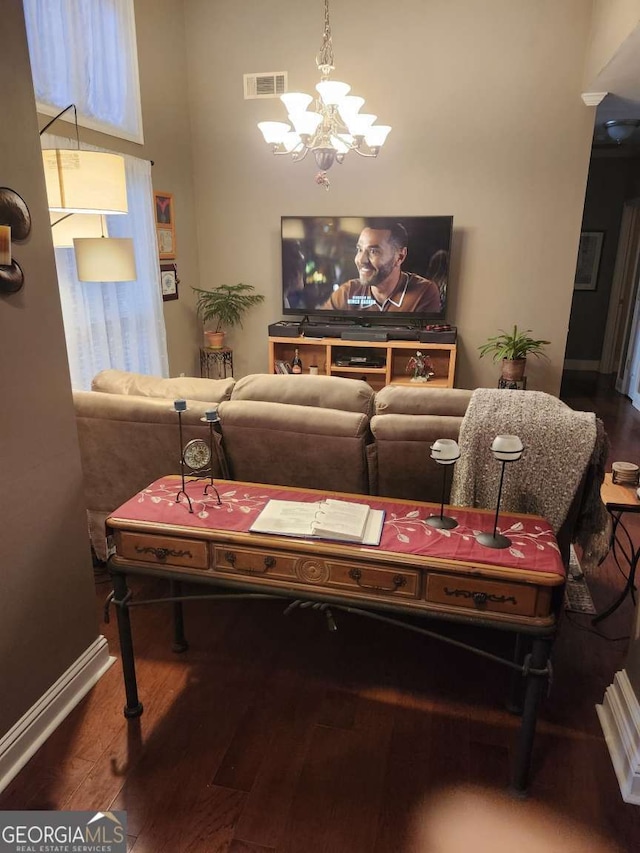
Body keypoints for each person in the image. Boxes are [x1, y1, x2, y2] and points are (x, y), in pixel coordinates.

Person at [322, 222, 441, 313]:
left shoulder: (424, 292)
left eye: (373, 251)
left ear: (400, 257)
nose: (361, 260)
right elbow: (320, 329)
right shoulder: (347, 292)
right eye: (360, 250)